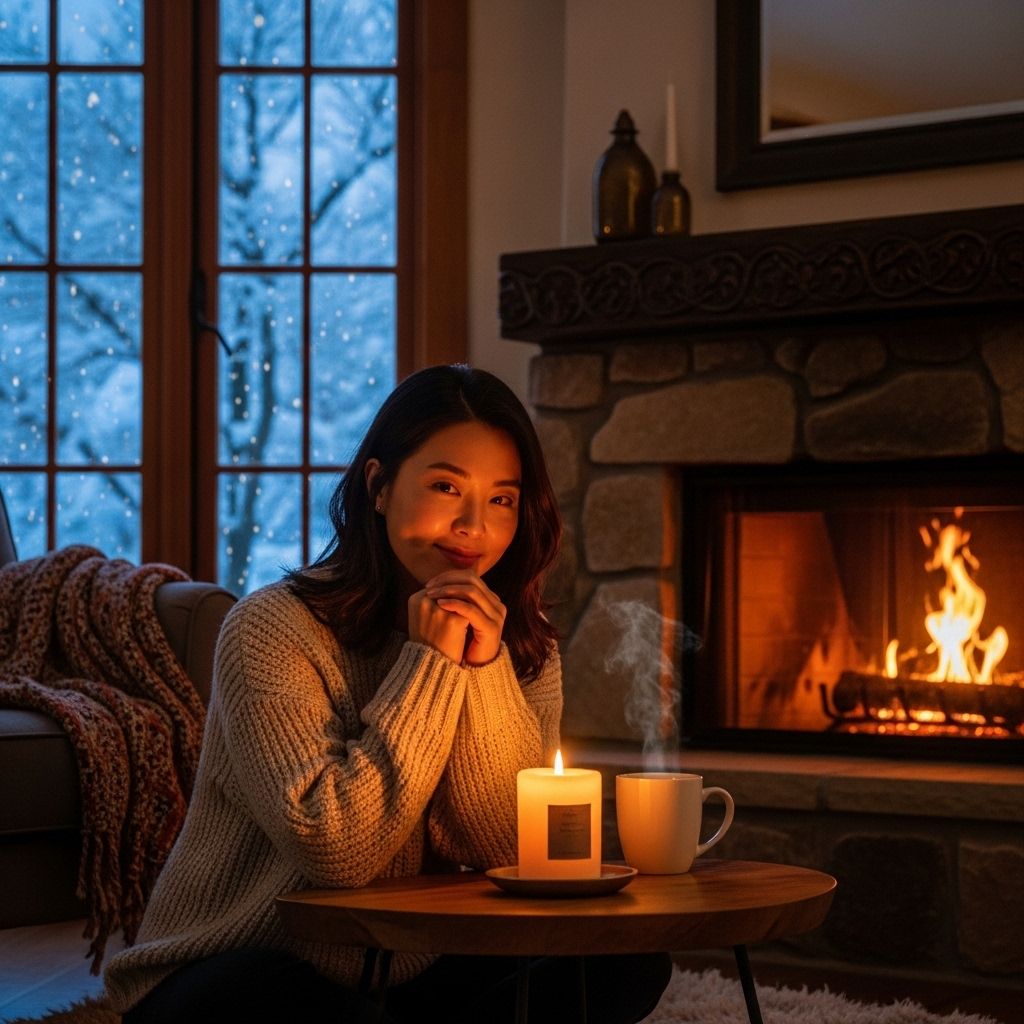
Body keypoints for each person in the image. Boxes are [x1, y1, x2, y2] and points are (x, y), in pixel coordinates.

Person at [104, 364, 672, 1023]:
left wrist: (479, 668)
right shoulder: (271, 628)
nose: (474, 527)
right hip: (238, 963)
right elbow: (337, 850)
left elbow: (507, 849)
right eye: (444, 487)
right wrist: (430, 661)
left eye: (502, 500)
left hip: (406, 964)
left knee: (624, 963)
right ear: (378, 486)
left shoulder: (521, 648)